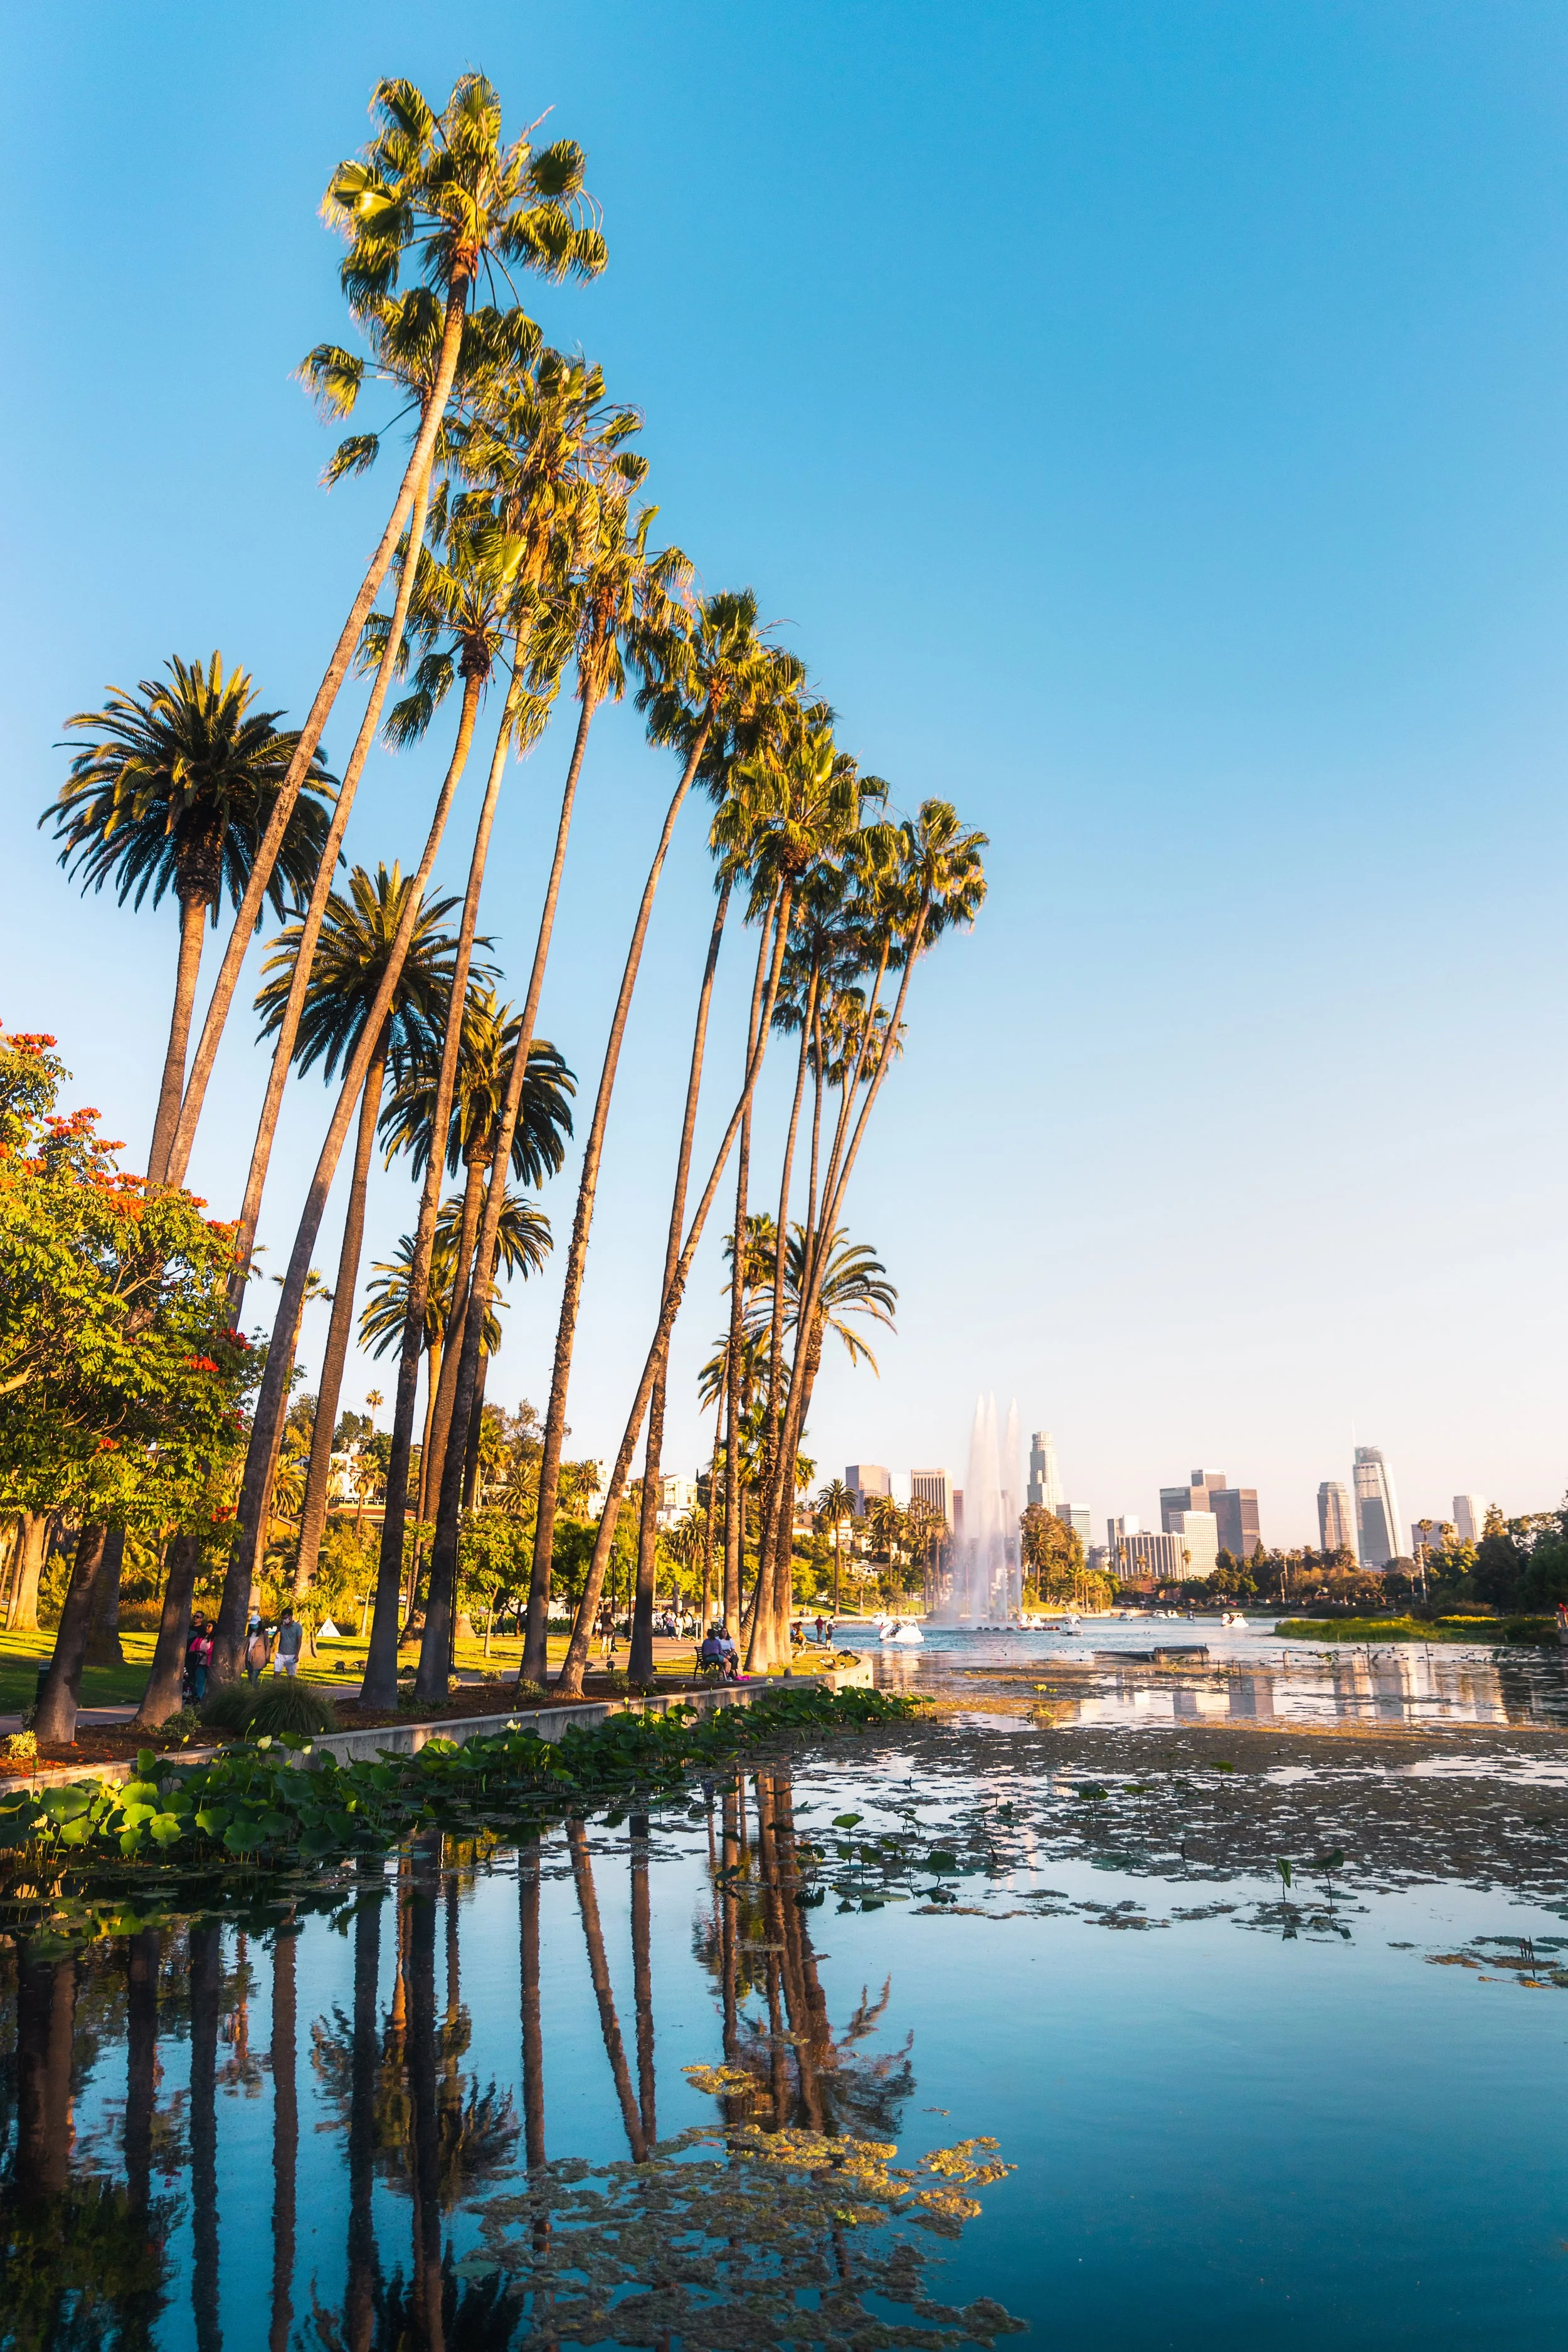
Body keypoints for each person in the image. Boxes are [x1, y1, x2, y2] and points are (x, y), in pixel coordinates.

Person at [185, 1618, 213, 1703]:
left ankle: (204, 1697)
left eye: (210, 1626)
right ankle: (198, 1697)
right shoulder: (201, 1637)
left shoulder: (215, 1639)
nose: (207, 1628)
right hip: (199, 1661)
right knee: (199, 1679)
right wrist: (194, 1653)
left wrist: (207, 1652)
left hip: (209, 1662)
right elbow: (194, 1645)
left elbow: (213, 1648)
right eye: (207, 1626)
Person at [273, 1607, 304, 1678]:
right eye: (283, 1618)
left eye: (286, 1618)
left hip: (292, 1655)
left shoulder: (298, 1627)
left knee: (291, 1676)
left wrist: (297, 1655)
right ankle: (275, 1687)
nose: (285, 1620)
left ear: (291, 1617)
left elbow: (299, 1642)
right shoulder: (282, 1627)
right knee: (276, 1674)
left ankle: (291, 1688)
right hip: (281, 1654)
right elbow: (281, 1639)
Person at [245, 1614, 268, 1686]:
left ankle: (254, 1693)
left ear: (259, 1623)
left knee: (254, 1678)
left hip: (258, 1659)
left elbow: (267, 1646)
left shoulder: (264, 1633)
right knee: (250, 1679)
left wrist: (267, 1658)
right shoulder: (250, 1633)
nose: (253, 1626)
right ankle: (251, 1692)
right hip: (249, 1658)